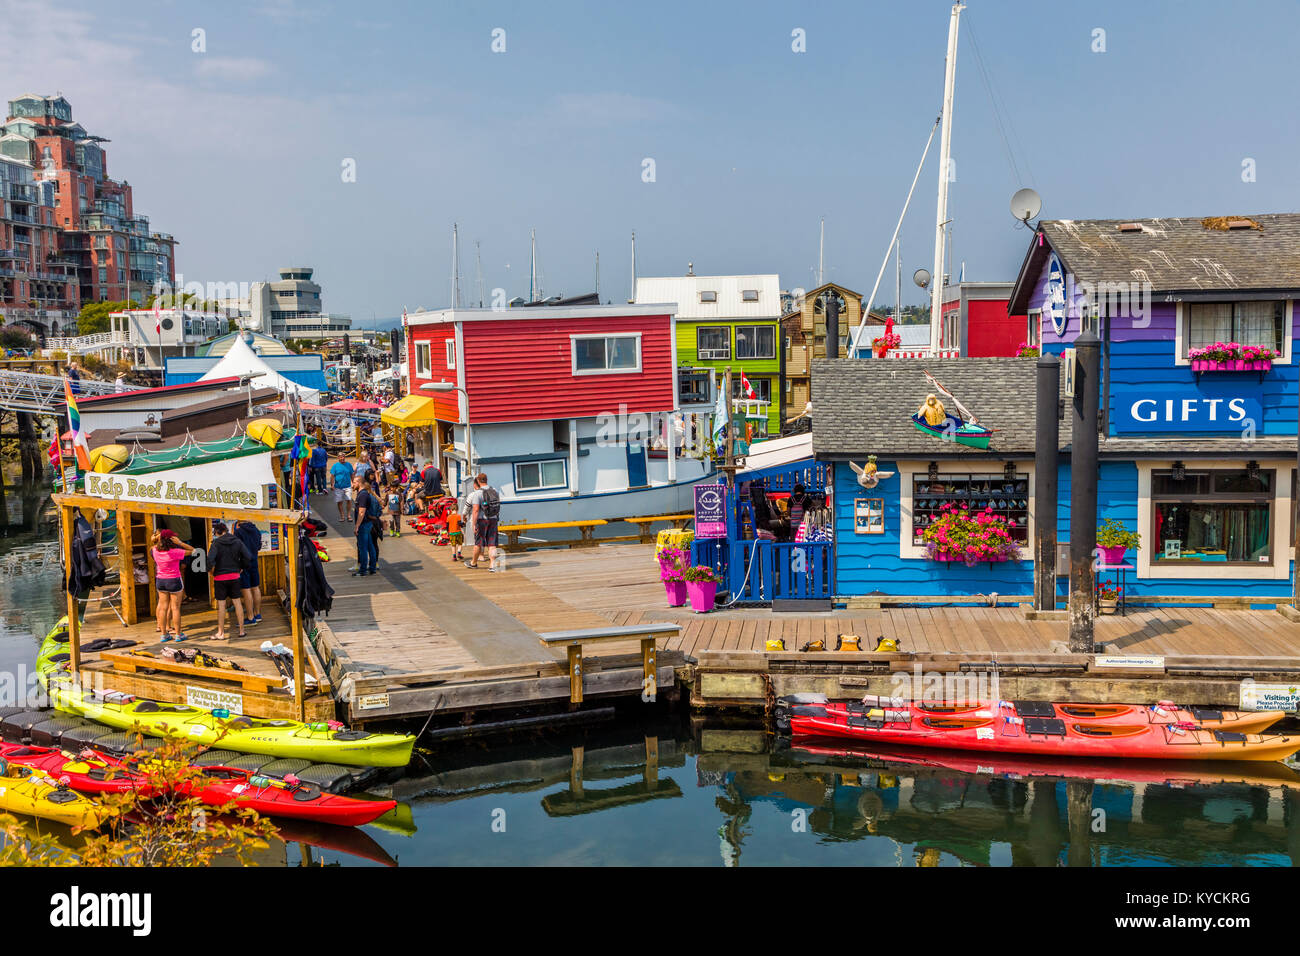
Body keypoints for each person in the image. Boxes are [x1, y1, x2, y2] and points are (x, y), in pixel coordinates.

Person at [208, 522, 252, 640]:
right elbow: (248, 556)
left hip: (220, 578)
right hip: (235, 576)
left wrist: (211, 572)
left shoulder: (216, 543)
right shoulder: (237, 541)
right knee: (237, 603)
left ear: (217, 533)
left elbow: (209, 560)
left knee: (221, 606)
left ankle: (220, 633)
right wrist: (241, 567)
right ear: (226, 530)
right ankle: (242, 631)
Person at [151, 529, 195, 642]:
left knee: (163, 607)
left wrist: (156, 539)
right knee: (175, 608)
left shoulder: (154, 550)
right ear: (172, 540)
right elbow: (193, 551)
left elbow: (154, 545)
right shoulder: (175, 552)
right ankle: (178, 635)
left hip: (160, 581)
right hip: (174, 581)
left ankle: (164, 635)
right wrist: (180, 542)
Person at [467, 472, 501, 571]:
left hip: (482, 520)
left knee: (478, 543)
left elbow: (476, 510)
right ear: (486, 480)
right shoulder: (494, 491)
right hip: (493, 519)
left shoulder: (478, 493)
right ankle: (492, 565)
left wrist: (473, 524)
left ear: (478, 481)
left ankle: (473, 563)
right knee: (492, 543)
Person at [234, 519, 264, 625]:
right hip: (254, 560)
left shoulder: (239, 531)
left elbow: (237, 548)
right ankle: (257, 614)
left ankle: (250, 618)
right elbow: (259, 546)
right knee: (255, 587)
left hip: (243, 563)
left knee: (246, 589)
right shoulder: (256, 530)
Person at [352, 474, 380, 576]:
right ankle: (372, 568)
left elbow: (361, 512)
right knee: (370, 546)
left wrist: (357, 526)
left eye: (354, 482)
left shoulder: (362, 495)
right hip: (367, 524)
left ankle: (363, 570)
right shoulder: (364, 494)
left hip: (363, 525)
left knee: (363, 547)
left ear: (359, 483)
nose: (352, 485)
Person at [330, 452, 355, 521]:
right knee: (340, 501)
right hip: (338, 486)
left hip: (348, 486)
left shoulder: (349, 465)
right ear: (338, 458)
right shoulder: (335, 466)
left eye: (343, 457)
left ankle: (349, 515)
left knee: (349, 500)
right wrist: (332, 485)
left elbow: (352, 474)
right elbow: (332, 476)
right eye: (341, 457)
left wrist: (354, 483)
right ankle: (342, 516)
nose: (342, 458)